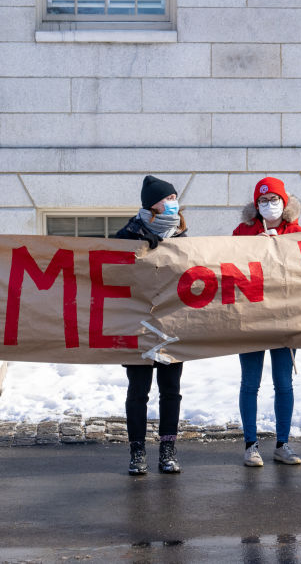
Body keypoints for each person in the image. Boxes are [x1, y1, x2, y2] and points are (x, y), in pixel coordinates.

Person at [114, 175, 186, 475]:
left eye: (173, 198)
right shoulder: (126, 235)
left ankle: (168, 450)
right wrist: (140, 250)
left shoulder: (183, 237)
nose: (172, 204)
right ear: (151, 205)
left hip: (172, 324)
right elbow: (111, 272)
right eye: (166, 199)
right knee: (138, 391)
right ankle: (137, 451)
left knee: (171, 390)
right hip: (138, 324)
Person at [233, 177, 301, 467]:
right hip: (251, 317)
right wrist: (251, 246)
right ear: (256, 205)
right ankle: (251, 445)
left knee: (283, 383)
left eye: (274, 200)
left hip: (285, 318)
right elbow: (227, 264)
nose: (269, 205)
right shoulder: (243, 231)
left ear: (284, 203)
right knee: (250, 383)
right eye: (263, 201)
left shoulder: (297, 232)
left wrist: (285, 248)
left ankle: (283, 443)